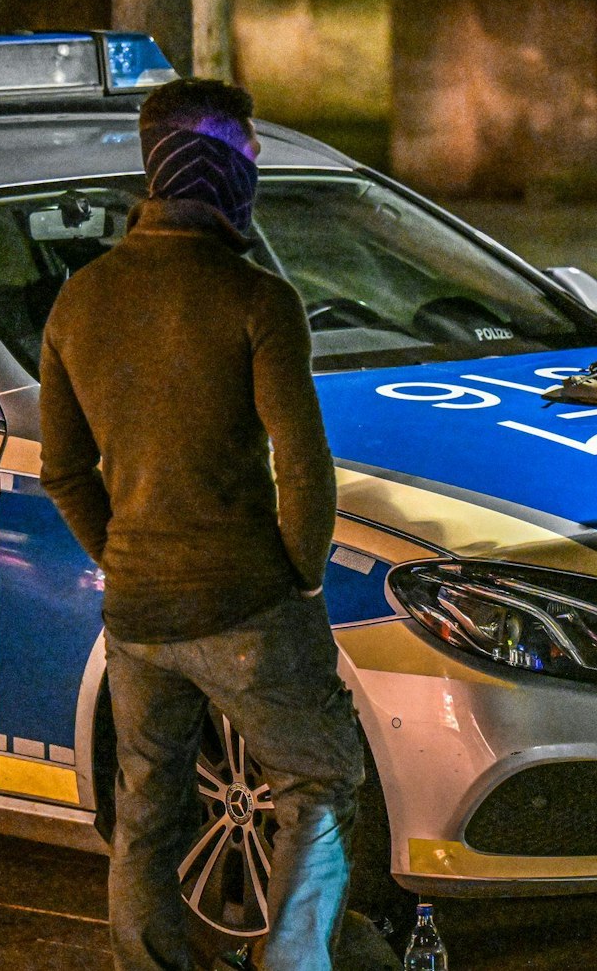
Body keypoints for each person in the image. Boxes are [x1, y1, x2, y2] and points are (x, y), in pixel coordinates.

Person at [40, 78, 364, 970]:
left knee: (147, 806)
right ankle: (292, 961)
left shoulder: (82, 299)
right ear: (218, 165)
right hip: (247, 602)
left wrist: (123, 556)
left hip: (138, 612)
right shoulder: (257, 298)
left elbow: (62, 470)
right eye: (248, 149)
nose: (255, 164)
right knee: (319, 786)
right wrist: (300, 572)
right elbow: (302, 463)